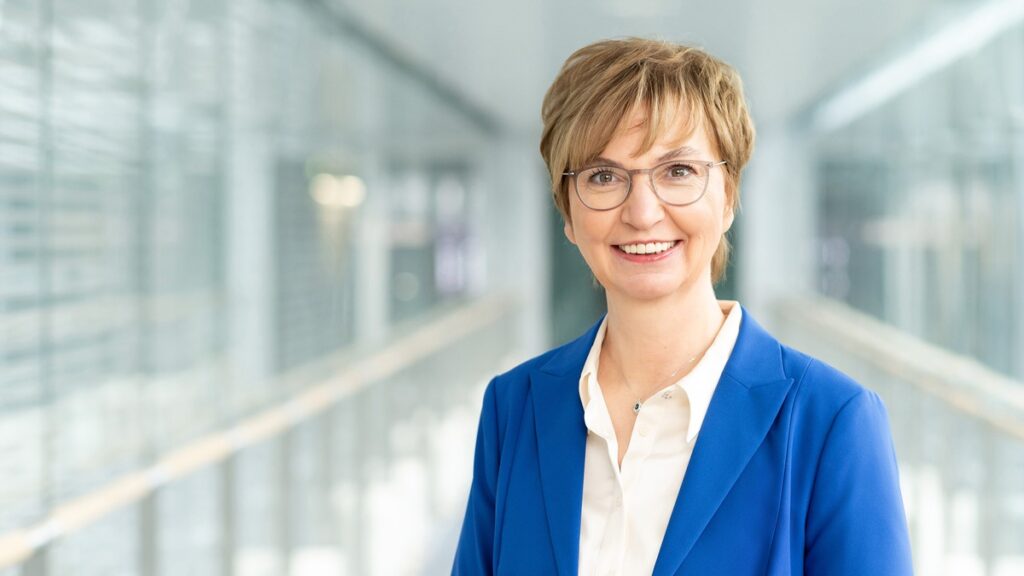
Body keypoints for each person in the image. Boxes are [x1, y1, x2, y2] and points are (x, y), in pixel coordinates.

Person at [452, 38, 913, 576]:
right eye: (603, 176)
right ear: (568, 213)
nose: (643, 213)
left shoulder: (830, 421)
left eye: (678, 172)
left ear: (729, 195)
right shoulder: (514, 409)